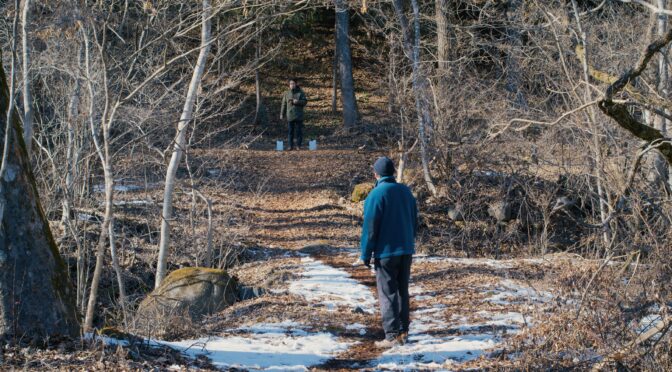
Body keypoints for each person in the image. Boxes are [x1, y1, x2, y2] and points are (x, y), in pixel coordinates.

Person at [357, 156, 418, 348]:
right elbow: (414, 220)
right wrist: (409, 240)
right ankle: (403, 332)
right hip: (406, 249)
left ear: (376, 174)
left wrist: (366, 254)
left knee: (387, 292)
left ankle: (391, 336)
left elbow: (370, 227)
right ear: (392, 172)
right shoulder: (406, 192)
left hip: (386, 252)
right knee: (402, 290)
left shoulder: (376, 195)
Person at [279, 78, 308, 150]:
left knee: (299, 131)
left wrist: (297, 102)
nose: (292, 85)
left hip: (299, 115)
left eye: (293, 83)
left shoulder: (301, 92)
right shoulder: (286, 93)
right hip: (290, 115)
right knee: (290, 132)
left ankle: (298, 146)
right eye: (290, 84)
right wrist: (282, 114)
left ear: (296, 84)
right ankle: (290, 146)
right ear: (289, 85)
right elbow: (283, 104)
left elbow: (305, 102)